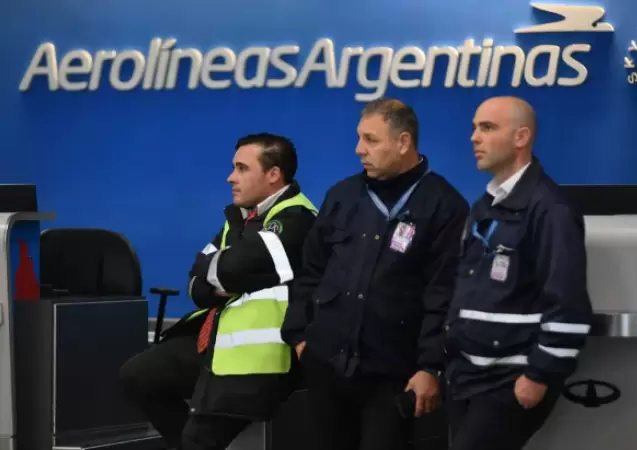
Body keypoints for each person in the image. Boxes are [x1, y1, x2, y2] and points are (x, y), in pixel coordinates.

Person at [281, 98, 469, 450]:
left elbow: (445, 293)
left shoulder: (444, 205)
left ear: (403, 142)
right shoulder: (343, 195)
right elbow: (310, 271)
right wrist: (299, 337)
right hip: (326, 365)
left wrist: (431, 366)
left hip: (393, 373)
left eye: (371, 140)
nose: (358, 150)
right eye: (359, 138)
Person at [118, 133, 317, 450]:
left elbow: (229, 269)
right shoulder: (238, 218)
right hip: (215, 345)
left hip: (261, 360)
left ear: (273, 174)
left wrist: (222, 272)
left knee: (198, 440)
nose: (230, 177)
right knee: (138, 376)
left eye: (241, 168)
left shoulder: (298, 218)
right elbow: (197, 282)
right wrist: (221, 274)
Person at [444, 96, 593, 450]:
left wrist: (538, 375)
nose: (474, 138)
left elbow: (568, 305)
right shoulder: (485, 206)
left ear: (521, 137)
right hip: (466, 375)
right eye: (474, 128)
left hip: (508, 380)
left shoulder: (549, 209)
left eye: (488, 127)